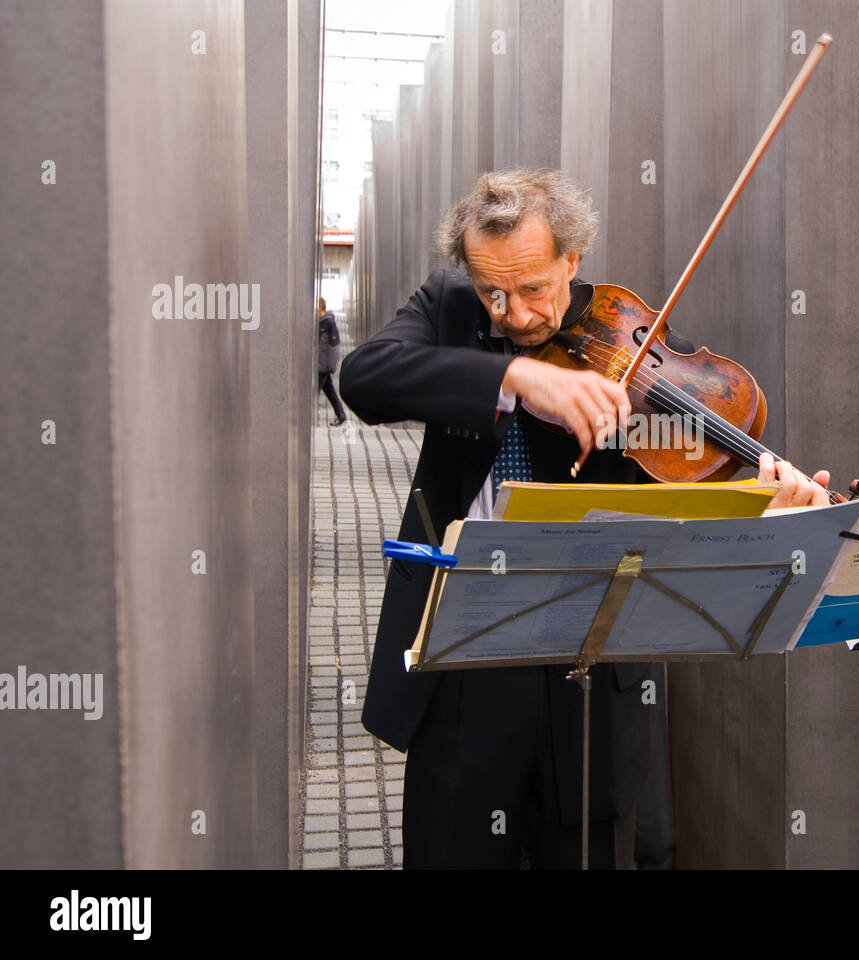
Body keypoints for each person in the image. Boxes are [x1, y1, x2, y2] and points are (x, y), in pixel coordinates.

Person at [339, 169, 829, 869]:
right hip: (465, 656)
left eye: (534, 287)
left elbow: (693, 484)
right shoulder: (447, 308)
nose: (513, 314)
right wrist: (512, 378)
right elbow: (365, 378)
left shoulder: (636, 344)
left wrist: (769, 495)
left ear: (572, 259)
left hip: (592, 665)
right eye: (493, 291)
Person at [317, 298, 347, 426]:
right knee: (329, 390)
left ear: (320, 308)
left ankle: (307, 416)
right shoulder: (320, 322)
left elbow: (334, 347)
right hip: (321, 364)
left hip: (323, 365)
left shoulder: (329, 323)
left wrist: (329, 366)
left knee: (314, 390)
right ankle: (341, 415)